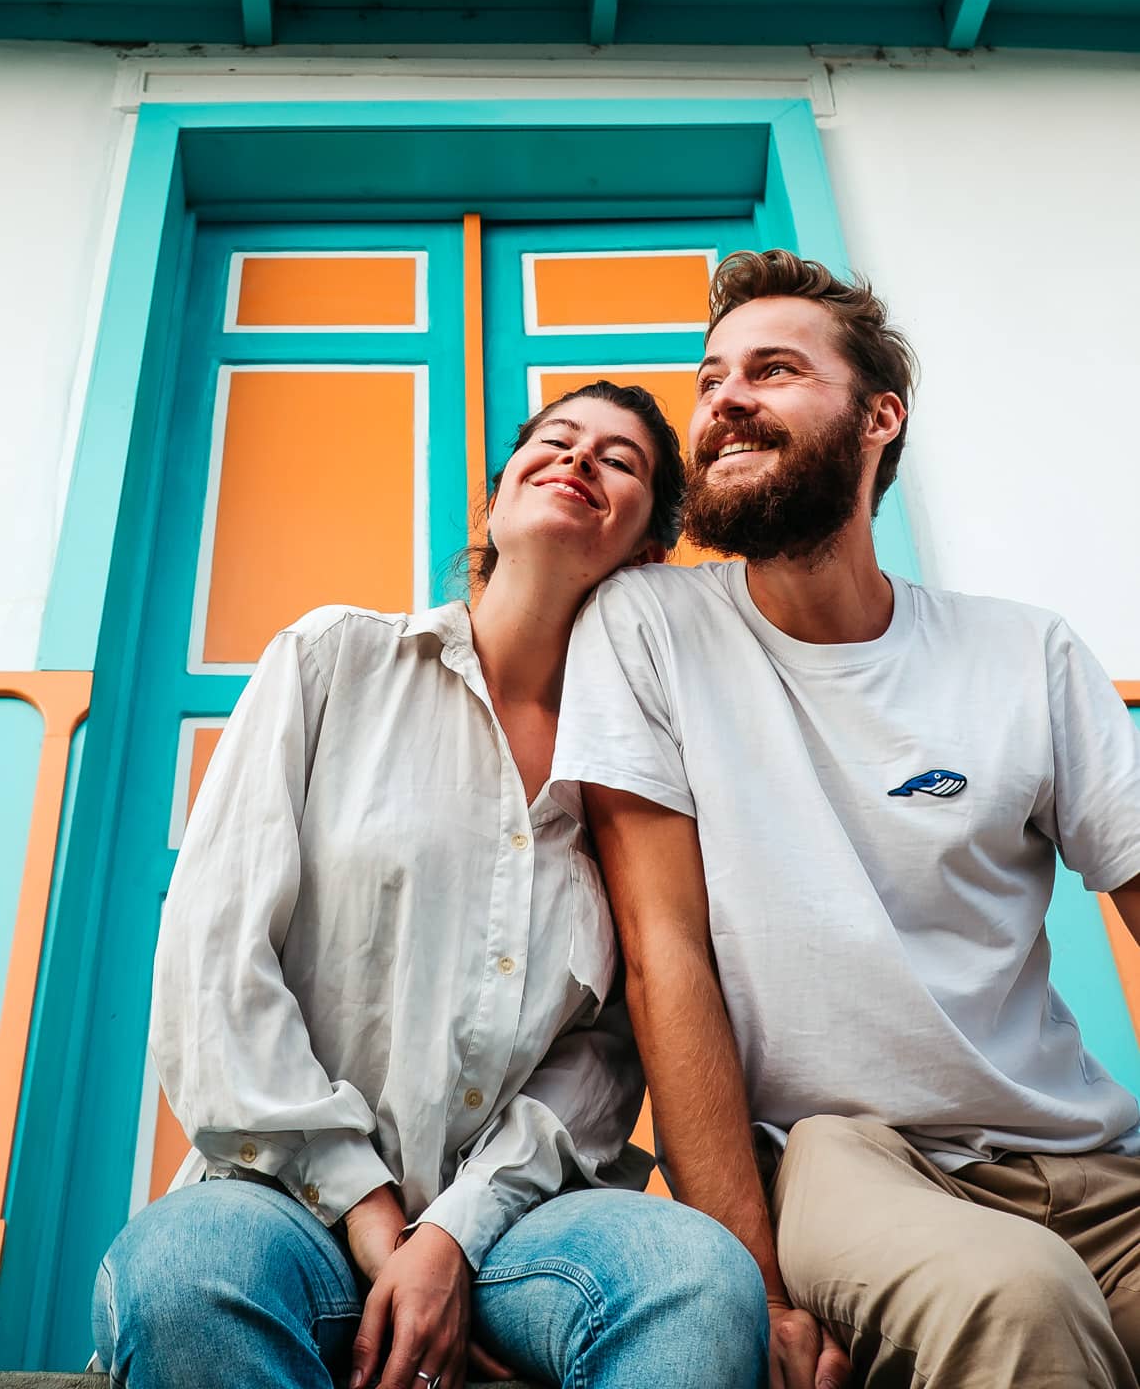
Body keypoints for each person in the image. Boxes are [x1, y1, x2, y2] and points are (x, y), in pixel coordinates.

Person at [92, 381, 770, 1389]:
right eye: (555, 439)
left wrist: (450, 1234)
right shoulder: (334, 659)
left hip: (518, 1232)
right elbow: (215, 959)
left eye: (619, 459)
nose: (579, 458)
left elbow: (597, 1060)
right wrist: (374, 1217)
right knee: (185, 1270)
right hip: (284, 1203)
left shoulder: (636, 774)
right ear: (497, 497)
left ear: (646, 552)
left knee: (696, 1279)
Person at [552, 252, 1140, 1389]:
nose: (724, 400)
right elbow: (663, 955)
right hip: (842, 1155)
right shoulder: (647, 627)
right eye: (711, 378)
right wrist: (756, 1286)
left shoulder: (1024, 651)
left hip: (1086, 1155)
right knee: (1019, 1299)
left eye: (771, 370)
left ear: (880, 417)